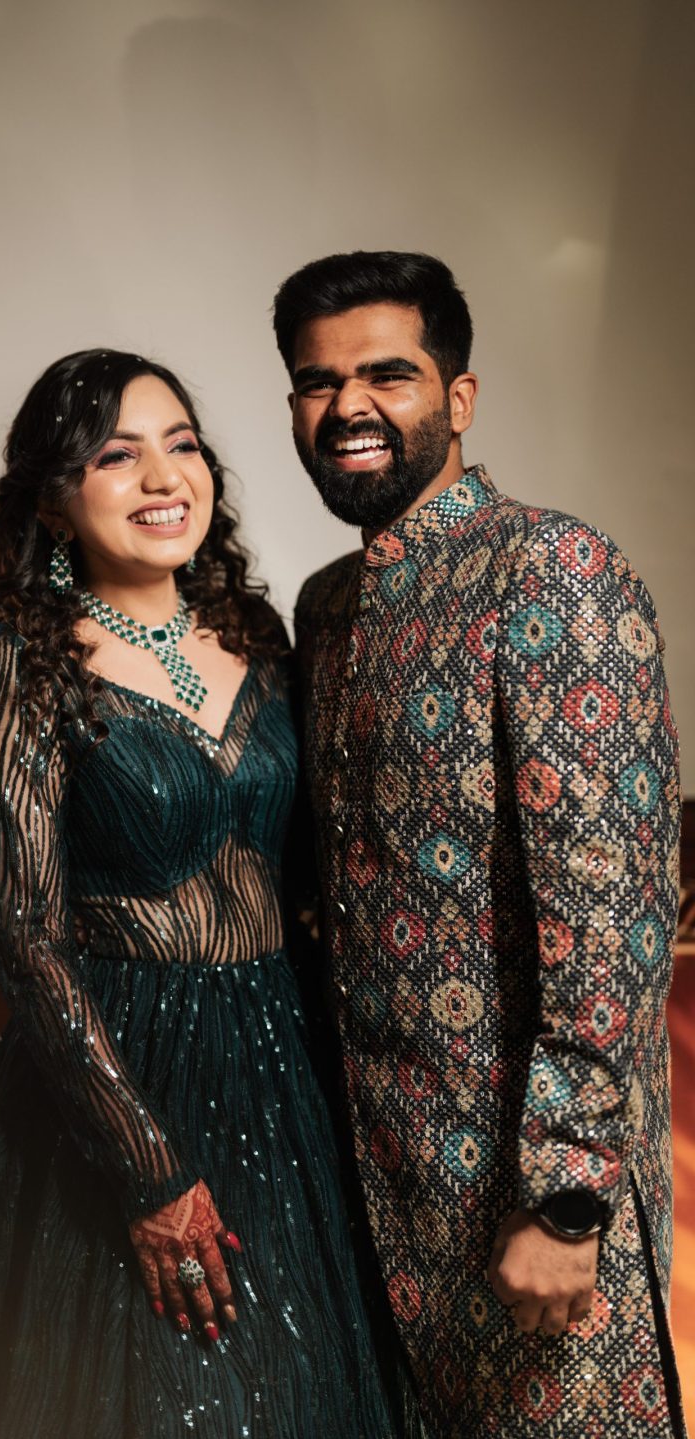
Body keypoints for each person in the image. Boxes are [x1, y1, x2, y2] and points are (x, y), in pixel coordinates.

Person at [0, 349, 415, 1437]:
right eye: (116, 455)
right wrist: (148, 1171)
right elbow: (24, 935)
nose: (162, 476)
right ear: (55, 500)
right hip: (127, 1067)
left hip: (285, 1062)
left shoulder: (262, 637)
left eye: (181, 444)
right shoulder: (25, 661)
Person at [277, 251, 686, 1438]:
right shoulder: (327, 607)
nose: (348, 406)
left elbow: (610, 910)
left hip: (529, 1193)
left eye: (387, 374)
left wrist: (568, 1197)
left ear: (457, 398)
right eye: (318, 382)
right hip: (383, 1188)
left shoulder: (552, 570)